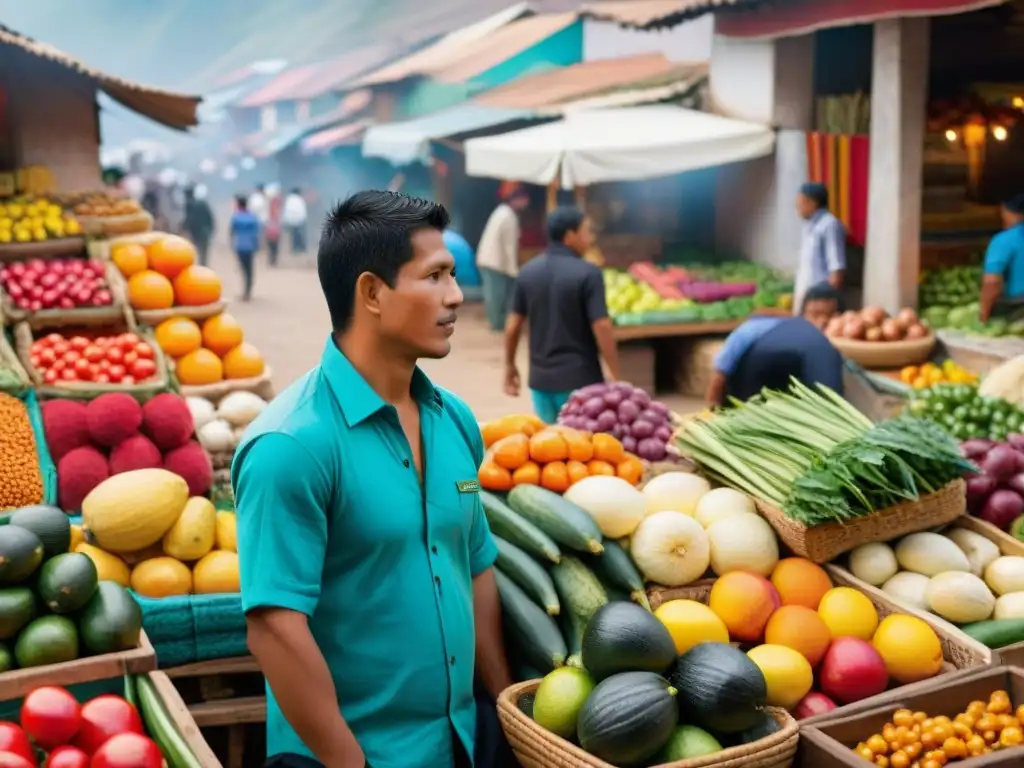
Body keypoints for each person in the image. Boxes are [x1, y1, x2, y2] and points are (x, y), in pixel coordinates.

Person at [232, 190, 512, 768]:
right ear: (372, 293)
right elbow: (274, 629)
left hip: (460, 738)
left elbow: (474, 568)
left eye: (454, 275)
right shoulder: (291, 446)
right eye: (434, 276)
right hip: (353, 755)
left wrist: (505, 712)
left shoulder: (454, 419)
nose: (456, 296)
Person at [503, 206, 621, 424]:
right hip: (581, 381)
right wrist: (616, 375)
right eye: (586, 231)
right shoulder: (589, 273)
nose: (590, 237)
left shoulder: (527, 273)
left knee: (551, 448)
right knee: (583, 450)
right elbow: (602, 327)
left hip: (540, 383)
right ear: (570, 236)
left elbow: (512, 326)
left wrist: (510, 366)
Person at [705, 282, 845, 406]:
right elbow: (720, 374)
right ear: (803, 313)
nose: (821, 323)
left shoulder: (827, 345)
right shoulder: (758, 327)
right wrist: (711, 409)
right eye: (815, 314)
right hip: (747, 394)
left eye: (828, 317)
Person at [477, 188, 528, 332]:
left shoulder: (502, 211)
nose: (526, 203)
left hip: (490, 260)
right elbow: (510, 246)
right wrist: (514, 270)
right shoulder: (508, 216)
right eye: (524, 200)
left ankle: (497, 323)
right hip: (494, 262)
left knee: (495, 295)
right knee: (497, 296)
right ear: (516, 200)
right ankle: (498, 325)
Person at [794, 182, 846, 314]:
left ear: (812, 203)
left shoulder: (829, 225)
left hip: (820, 304)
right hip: (807, 300)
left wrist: (826, 304)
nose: (797, 207)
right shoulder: (809, 226)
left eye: (800, 202)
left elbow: (836, 268)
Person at [980, 194, 1024, 322]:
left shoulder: (1004, 240)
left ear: (1007, 212)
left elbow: (991, 282)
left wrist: (983, 315)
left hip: (1016, 310)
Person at [229, 195, 260, 302]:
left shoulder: (236, 216)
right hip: (250, 245)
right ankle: (248, 291)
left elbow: (232, 232)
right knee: (249, 269)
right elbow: (257, 232)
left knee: (243, 268)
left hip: (240, 246)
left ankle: (245, 292)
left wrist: (231, 243)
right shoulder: (252, 216)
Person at [183, 184, 215, 266]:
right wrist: (211, 229)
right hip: (205, 231)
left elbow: (189, 220)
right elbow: (210, 218)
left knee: (194, 251)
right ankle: (203, 267)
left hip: (195, 232)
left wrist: (185, 229)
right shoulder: (202, 203)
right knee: (203, 253)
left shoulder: (188, 205)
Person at [284, 187, 309, 256]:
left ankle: (294, 248)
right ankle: (300, 248)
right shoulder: (300, 199)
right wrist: (304, 219)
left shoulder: (288, 199)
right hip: (299, 220)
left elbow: (286, 211)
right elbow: (303, 211)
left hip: (291, 221)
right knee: (300, 235)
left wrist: (286, 221)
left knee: (293, 235)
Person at [265, 184, 283, 267]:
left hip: (271, 227)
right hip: (273, 227)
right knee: (273, 245)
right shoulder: (275, 204)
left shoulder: (271, 203)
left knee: (272, 244)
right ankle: (273, 259)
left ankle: (272, 259)